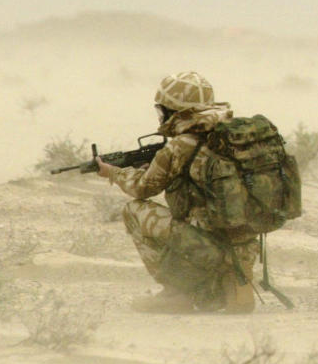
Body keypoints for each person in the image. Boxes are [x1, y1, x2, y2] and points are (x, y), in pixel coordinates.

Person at [97, 72, 259, 313]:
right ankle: (231, 281)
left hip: (205, 246)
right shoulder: (234, 136)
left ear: (175, 110)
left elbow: (142, 188)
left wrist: (113, 173)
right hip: (245, 246)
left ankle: (176, 293)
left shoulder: (182, 144)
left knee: (134, 210)